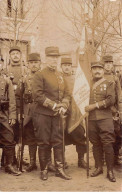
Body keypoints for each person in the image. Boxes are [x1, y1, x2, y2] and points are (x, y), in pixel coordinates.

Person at [32, 46, 71, 180]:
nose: (54, 60)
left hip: (58, 114)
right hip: (42, 114)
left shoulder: (60, 75)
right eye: (51, 57)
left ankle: (59, 169)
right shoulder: (39, 74)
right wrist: (54, 105)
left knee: (58, 141)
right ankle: (44, 169)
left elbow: (67, 93)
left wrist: (64, 105)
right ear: (45, 58)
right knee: (43, 142)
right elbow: (37, 95)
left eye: (56, 57)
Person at [85, 61, 116, 182]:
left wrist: (94, 106)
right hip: (91, 119)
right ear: (91, 71)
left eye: (99, 68)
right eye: (94, 68)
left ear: (103, 71)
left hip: (105, 118)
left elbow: (110, 100)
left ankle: (110, 170)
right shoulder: (86, 84)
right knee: (95, 143)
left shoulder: (109, 83)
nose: (97, 71)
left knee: (107, 143)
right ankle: (99, 167)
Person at [61, 57, 87, 169]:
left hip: (76, 112)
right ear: (61, 66)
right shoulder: (58, 78)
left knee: (80, 135)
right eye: (64, 65)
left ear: (71, 67)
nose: (66, 67)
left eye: (68, 65)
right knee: (60, 136)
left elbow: (83, 92)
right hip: (62, 111)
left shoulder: (77, 79)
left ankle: (81, 160)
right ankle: (62, 160)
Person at [0, 53, 21, 176]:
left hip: (3, 114)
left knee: (9, 136)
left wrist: (12, 116)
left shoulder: (6, 80)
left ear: (2, 64)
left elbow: (12, 101)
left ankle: (9, 165)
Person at [102, 55, 121, 165]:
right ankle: (104, 157)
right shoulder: (100, 77)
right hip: (103, 109)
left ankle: (115, 156)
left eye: (110, 63)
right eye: (106, 63)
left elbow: (119, 95)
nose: (108, 65)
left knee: (117, 132)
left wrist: (119, 110)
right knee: (105, 134)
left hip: (114, 111)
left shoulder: (115, 78)